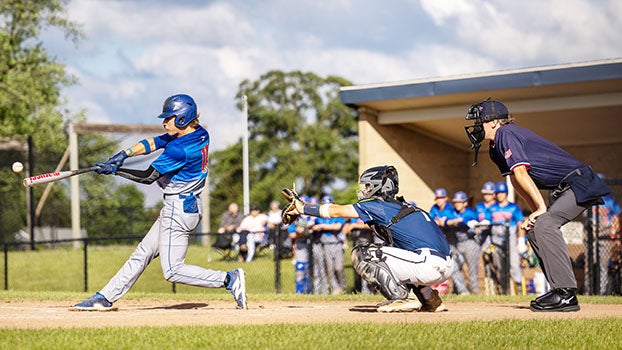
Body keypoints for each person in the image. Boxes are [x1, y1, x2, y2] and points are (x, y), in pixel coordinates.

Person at [71, 94, 247, 311]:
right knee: (142, 253)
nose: (164, 122)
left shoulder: (179, 149)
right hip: (182, 206)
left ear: (182, 119)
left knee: (172, 270)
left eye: (170, 118)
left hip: (179, 210)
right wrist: (122, 155)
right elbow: (153, 142)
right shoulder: (200, 133)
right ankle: (105, 297)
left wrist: (115, 170)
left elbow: (148, 176)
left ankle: (229, 279)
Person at [464, 98, 611, 312]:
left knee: (545, 225)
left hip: (578, 181)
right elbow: (516, 180)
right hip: (566, 186)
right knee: (535, 228)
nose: (476, 127)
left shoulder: (506, 133)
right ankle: (558, 291)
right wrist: (535, 210)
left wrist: (541, 209)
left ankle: (566, 294)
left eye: (480, 122)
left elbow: (522, 171)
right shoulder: (495, 146)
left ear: (494, 122)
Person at [283, 165, 453, 312]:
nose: (365, 190)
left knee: (363, 253)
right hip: (443, 264)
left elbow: (336, 211)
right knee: (397, 258)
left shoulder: (379, 205)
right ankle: (431, 300)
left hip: (427, 263)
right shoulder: (404, 206)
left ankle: (402, 298)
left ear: (379, 187)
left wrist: (302, 208)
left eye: (368, 186)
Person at [490, 181, 525, 294]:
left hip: (510, 237)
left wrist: (521, 240)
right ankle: (505, 291)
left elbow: (520, 224)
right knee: (500, 267)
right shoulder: (492, 207)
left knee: (514, 264)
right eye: (498, 193)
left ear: (506, 193)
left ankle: (519, 290)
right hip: (496, 239)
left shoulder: (513, 207)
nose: (500, 195)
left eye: (502, 192)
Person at [310, 195, 347, 295]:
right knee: (330, 269)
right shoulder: (319, 217)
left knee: (338, 268)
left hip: (337, 244)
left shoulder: (338, 215)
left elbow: (337, 226)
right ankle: (335, 289)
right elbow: (312, 225)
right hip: (325, 244)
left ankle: (342, 287)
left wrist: (322, 226)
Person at [446, 191, 480, 295]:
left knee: (472, 270)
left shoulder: (470, 211)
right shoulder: (452, 211)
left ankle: (475, 293)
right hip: (458, 244)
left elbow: (463, 220)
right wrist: (451, 221)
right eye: (455, 202)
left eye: (460, 202)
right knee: (454, 267)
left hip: (470, 242)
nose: (457, 204)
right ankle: (463, 291)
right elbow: (446, 220)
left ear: (465, 203)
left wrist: (453, 221)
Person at [428, 188, 459, 294]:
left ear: (446, 198)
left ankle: (455, 289)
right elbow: (430, 220)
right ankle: (442, 287)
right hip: (440, 239)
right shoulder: (434, 208)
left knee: (453, 264)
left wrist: (443, 222)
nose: (439, 200)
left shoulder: (450, 208)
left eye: (441, 198)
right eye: (437, 198)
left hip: (451, 239)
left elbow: (451, 221)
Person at [288, 217, 312, 294]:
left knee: (310, 271)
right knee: (300, 269)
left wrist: (306, 232)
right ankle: (299, 291)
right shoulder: (295, 219)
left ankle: (309, 291)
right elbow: (292, 234)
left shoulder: (312, 216)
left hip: (314, 246)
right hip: (301, 246)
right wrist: (304, 233)